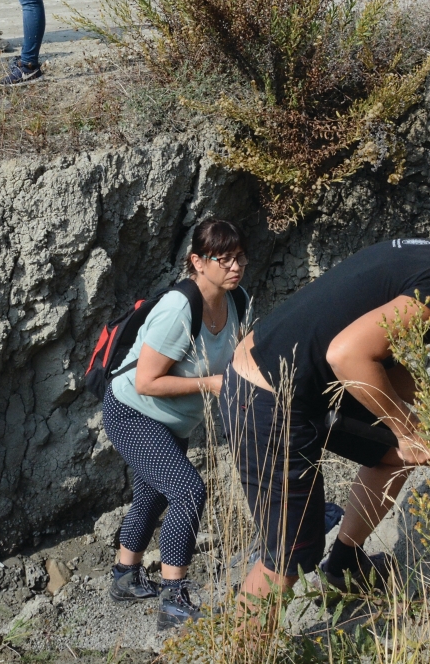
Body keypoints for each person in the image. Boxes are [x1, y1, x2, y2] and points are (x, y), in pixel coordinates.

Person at [221, 217, 430, 606]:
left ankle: (344, 566)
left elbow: (382, 355)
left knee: (392, 455)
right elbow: (348, 355)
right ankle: (241, 646)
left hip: (298, 384)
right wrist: (406, 428)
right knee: (289, 557)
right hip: (267, 396)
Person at [102, 219, 251, 630]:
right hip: (132, 411)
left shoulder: (238, 302)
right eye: (224, 259)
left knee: (152, 495)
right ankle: (174, 599)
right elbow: (146, 381)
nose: (235, 266)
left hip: (174, 422)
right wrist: (211, 384)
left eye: (240, 257)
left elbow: (239, 357)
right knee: (187, 489)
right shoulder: (178, 309)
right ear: (198, 262)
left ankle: (124, 577)